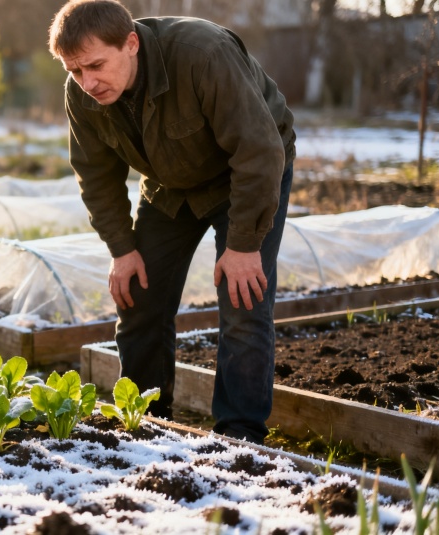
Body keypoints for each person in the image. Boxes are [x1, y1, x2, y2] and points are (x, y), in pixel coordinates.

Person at [48, 0, 295, 444]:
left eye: (96, 66)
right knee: (138, 295)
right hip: (168, 185)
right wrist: (122, 250)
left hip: (246, 175)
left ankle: (239, 437)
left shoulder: (202, 54)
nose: (88, 82)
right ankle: (142, 419)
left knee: (243, 301)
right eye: (75, 71)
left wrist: (243, 245)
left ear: (131, 43)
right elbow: (96, 176)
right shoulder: (82, 94)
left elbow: (259, 152)